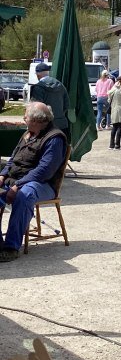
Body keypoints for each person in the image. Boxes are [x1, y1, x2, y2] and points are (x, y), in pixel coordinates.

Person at [0, 102, 67, 262]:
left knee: (25, 195)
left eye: (26, 116)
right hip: (15, 179)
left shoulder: (54, 138)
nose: (23, 117)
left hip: (42, 184)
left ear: (38, 120)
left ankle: (11, 248)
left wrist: (17, 186)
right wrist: (2, 175)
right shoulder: (28, 133)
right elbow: (13, 159)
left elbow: (44, 171)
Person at [30, 62, 70, 142]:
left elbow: (35, 110)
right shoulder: (61, 85)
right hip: (62, 125)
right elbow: (67, 105)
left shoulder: (38, 88)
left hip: (45, 128)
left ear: (37, 74)